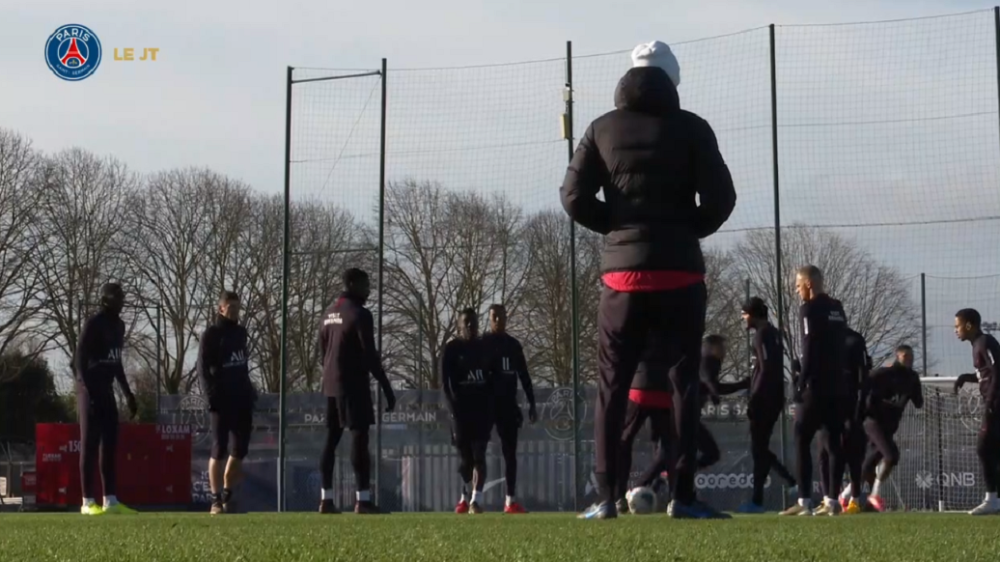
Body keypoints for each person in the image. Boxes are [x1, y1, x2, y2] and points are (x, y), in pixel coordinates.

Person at [561, 39, 736, 520]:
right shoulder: (694, 129)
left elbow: (573, 197)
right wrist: (682, 234)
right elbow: (722, 199)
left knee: (611, 388)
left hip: (622, 277)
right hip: (680, 272)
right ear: (672, 81)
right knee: (684, 385)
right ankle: (683, 496)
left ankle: (606, 497)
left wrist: (618, 231)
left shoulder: (600, 129)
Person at [317, 268, 396, 515]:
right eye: (365, 284)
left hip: (330, 385)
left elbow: (322, 352)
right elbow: (370, 355)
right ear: (351, 284)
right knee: (359, 439)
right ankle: (363, 501)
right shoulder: (360, 314)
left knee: (331, 440)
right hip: (353, 385)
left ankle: (326, 500)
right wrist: (386, 387)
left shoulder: (328, 314)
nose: (369, 289)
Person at [780, 266, 847, 516]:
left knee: (801, 438)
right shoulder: (837, 307)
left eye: (798, 286)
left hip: (816, 386)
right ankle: (832, 500)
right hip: (838, 385)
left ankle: (804, 501)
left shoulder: (809, 308)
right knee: (832, 441)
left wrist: (801, 382)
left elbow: (810, 347)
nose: (797, 291)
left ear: (808, 283)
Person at [75, 282, 138, 515]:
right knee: (89, 444)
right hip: (89, 389)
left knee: (110, 444)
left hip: (107, 390)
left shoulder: (119, 326)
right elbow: (79, 358)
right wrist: (86, 387)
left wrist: (128, 394)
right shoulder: (94, 323)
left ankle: (110, 499)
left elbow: (116, 361)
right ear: (106, 299)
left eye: (122, 297)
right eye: (117, 297)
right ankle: (87, 501)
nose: (121, 302)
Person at [734, 297, 797, 514]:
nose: (743, 318)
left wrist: (755, 397)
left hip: (766, 399)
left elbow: (767, 367)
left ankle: (790, 482)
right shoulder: (773, 333)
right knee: (759, 450)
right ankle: (758, 500)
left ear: (752, 314)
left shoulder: (761, 336)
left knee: (758, 449)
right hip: (774, 396)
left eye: (744, 314)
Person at [198, 290, 257, 515]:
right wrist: (210, 396)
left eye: (236, 307)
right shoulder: (211, 334)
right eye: (230, 308)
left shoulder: (241, 333)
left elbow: (241, 366)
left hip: (241, 399)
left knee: (239, 449)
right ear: (221, 308)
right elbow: (203, 369)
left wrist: (249, 390)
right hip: (220, 401)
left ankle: (228, 494)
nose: (234, 312)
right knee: (219, 449)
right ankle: (215, 500)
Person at [852, 344, 923, 513]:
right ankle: (875, 494)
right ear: (897, 357)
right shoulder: (885, 374)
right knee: (891, 455)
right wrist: (862, 411)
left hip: (890, 426)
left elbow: (919, 403)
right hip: (873, 422)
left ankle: (848, 495)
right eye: (905, 356)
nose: (909, 359)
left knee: (869, 463)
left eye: (911, 356)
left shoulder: (912, 378)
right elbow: (865, 386)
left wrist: (911, 393)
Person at [481, 304, 537, 514]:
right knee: (477, 451)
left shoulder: (513, 345)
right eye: (493, 317)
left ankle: (509, 501)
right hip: (486, 406)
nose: (497, 320)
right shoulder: (483, 343)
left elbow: (524, 375)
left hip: (507, 406)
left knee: (510, 453)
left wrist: (531, 403)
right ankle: (470, 498)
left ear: (506, 317)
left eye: (500, 316)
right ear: (489, 319)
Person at [442, 308, 494, 515]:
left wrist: (491, 408)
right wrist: (453, 410)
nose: (471, 326)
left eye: (473, 322)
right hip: (460, 413)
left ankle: (475, 500)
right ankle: (465, 493)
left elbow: (492, 379)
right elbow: (446, 384)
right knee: (465, 460)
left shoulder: (485, 348)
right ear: (459, 326)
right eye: (466, 323)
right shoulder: (452, 349)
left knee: (480, 455)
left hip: (481, 412)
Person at [616, 340, 676, 514]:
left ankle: (619, 496)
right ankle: (675, 499)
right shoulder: (671, 328)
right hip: (663, 389)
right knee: (668, 445)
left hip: (639, 387)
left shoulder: (638, 327)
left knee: (625, 440)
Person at [953, 308, 1000, 515]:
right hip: (993, 402)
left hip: (996, 403)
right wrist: (966, 377)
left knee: (983, 447)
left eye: (957, 326)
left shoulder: (985, 342)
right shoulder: (977, 345)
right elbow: (986, 373)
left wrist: (990, 400)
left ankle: (991, 500)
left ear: (969, 325)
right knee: (992, 450)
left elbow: (998, 370)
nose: (956, 330)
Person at [828, 327, 872, 515]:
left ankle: (854, 498)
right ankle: (830, 499)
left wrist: (861, 403)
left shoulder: (854, 340)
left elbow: (863, 372)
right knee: (830, 451)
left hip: (851, 404)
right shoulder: (822, 337)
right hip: (830, 402)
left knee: (853, 451)